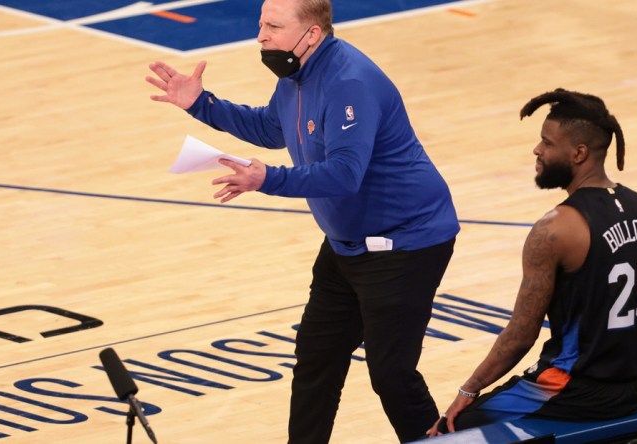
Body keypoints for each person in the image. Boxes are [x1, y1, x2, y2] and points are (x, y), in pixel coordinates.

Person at [145, 0, 459, 442]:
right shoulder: (295, 75)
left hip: (406, 244)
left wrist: (266, 178)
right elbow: (274, 128)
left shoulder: (349, 81)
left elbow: (345, 174)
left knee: (392, 375)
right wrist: (202, 105)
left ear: (311, 34)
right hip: (346, 244)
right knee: (316, 359)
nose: (261, 36)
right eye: (260, 24)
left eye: (273, 26)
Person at [428, 89, 637, 437]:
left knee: (451, 431)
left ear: (579, 153)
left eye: (547, 142)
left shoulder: (555, 229)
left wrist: (468, 390)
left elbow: (521, 336)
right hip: (632, 387)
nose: (537, 150)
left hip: (572, 391)